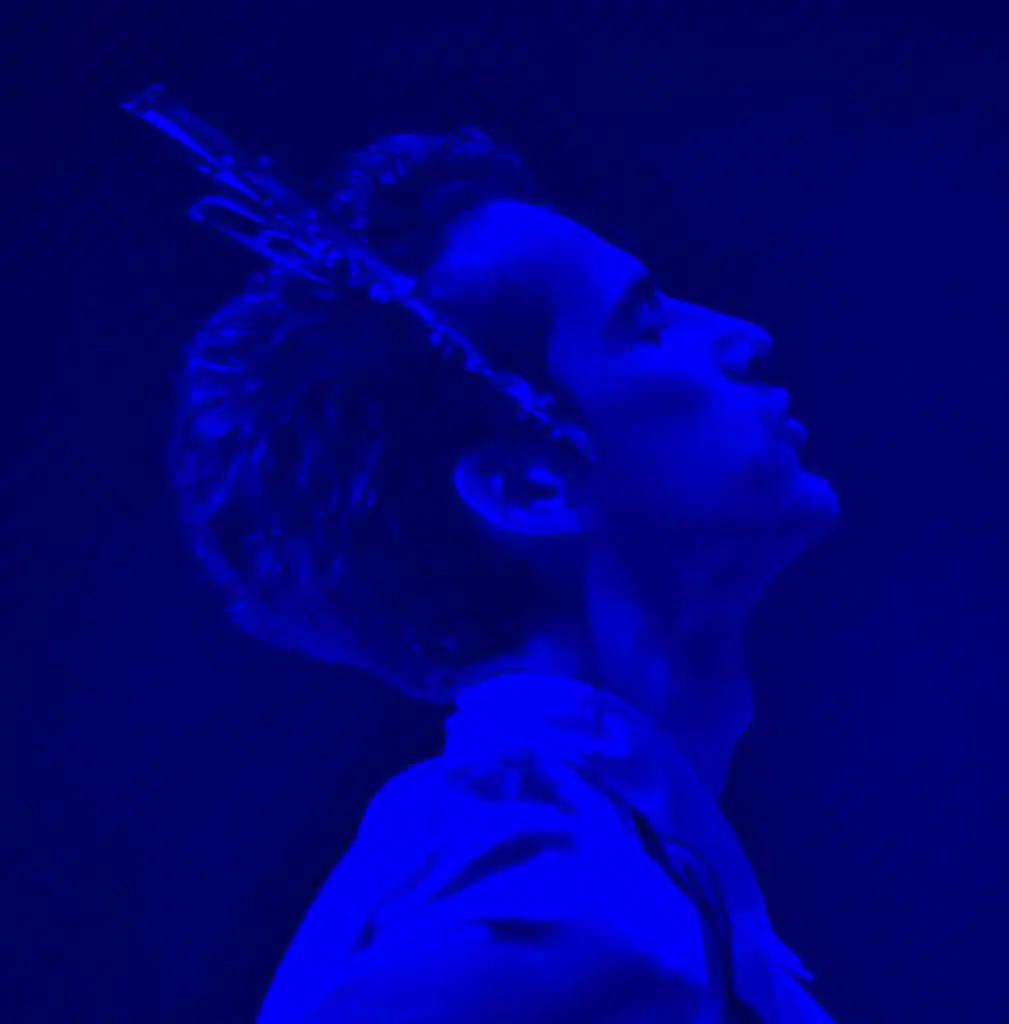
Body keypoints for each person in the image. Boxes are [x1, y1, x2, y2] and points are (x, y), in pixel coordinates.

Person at [170, 125, 839, 1021]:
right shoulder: (538, 868)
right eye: (646, 324)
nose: (744, 337)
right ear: (530, 487)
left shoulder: (608, 854)